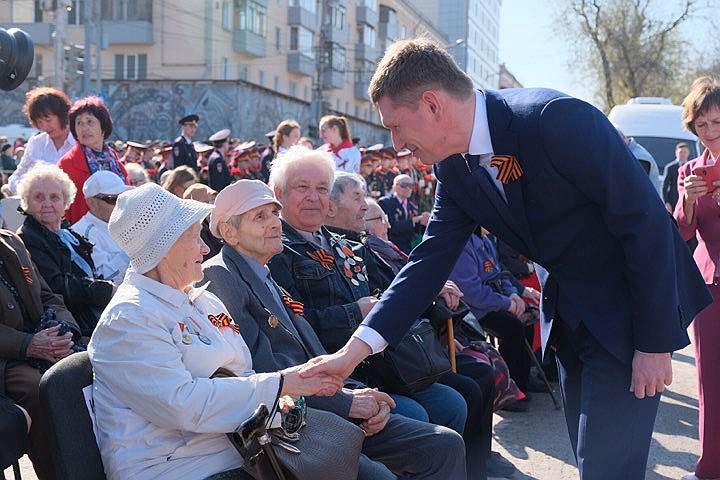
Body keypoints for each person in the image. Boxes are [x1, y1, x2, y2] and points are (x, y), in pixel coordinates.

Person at [301, 38, 711, 480]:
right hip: (571, 318)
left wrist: (653, 342)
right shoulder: (454, 168)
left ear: (433, 104)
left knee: (609, 469)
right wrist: (351, 354)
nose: (397, 145)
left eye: (396, 127)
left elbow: (644, 222)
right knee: (593, 460)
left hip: (627, 316)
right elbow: (427, 263)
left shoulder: (554, 119)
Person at [201, 179, 466, 480]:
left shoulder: (262, 271)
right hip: (297, 423)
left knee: (443, 444)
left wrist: (356, 392)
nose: (275, 224)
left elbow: (314, 354)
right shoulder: (221, 275)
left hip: (329, 401)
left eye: (275, 214)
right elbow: (262, 370)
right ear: (228, 231)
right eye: (260, 217)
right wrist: (348, 403)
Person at [87, 183, 343, 480]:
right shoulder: (128, 320)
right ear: (165, 248)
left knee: (352, 460)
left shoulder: (200, 298)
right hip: (177, 469)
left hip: (241, 451)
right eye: (195, 237)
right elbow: (184, 405)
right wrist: (281, 385)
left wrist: (286, 400)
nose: (206, 248)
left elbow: (242, 373)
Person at [266, 146, 468, 434]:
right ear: (278, 193)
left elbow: (390, 295)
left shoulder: (346, 243)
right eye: (302, 188)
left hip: (383, 363)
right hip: (332, 374)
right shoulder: (276, 252)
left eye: (322, 188)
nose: (314, 197)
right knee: (416, 415)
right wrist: (356, 311)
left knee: (453, 403)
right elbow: (295, 328)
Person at [325, 173, 512, 478]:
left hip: (409, 345)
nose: (375, 217)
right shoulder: (351, 246)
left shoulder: (361, 245)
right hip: (380, 361)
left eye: (374, 210)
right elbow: (388, 299)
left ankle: (476, 464)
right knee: (459, 391)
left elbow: (401, 291)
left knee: (476, 378)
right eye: (358, 200)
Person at [1, 228, 82, 480]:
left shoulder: (11, 240)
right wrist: (28, 343)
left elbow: (48, 296)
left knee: (93, 364)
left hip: (43, 341)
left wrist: (65, 332)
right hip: (8, 358)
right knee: (43, 390)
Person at [674, 76, 720, 480]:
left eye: (717, 123)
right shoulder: (689, 169)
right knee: (709, 380)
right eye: (702, 125)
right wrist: (688, 200)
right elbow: (682, 233)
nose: (709, 132)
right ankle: (710, 468)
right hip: (711, 286)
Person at [17, 164, 114, 337]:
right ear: (27, 203)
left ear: (65, 202)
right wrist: (107, 290)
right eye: (38, 197)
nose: (47, 204)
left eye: (54, 197)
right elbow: (59, 287)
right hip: (71, 326)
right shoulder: (28, 238)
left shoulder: (68, 234)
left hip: (93, 314)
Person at [450, 230, 540, 403]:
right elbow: (472, 292)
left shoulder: (485, 239)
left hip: (495, 299)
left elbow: (499, 272)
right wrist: (507, 303)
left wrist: (513, 294)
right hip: (474, 309)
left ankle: (523, 379)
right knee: (512, 327)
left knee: (527, 319)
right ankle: (508, 390)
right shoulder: (464, 244)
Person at [57, 96, 129, 224]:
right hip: (84, 233)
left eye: (90, 121)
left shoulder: (114, 160)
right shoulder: (67, 164)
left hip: (119, 229)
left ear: (103, 127)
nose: (84, 128)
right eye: (79, 123)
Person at [8, 87, 76, 194]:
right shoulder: (36, 142)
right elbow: (16, 177)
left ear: (62, 115)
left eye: (48, 120)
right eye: (39, 122)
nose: (44, 126)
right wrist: (28, 191)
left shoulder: (79, 142)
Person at [72, 171, 132, 286]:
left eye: (123, 197)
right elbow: (103, 279)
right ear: (92, 202)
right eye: (112, 199)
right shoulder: (82, 233)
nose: (119, 204)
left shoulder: (123, 223)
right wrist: (134, 248)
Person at [378, 174, 430, 254]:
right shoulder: (385, 202)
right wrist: (413, 220)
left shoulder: (412, 204)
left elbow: (415, 230)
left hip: (409, 247)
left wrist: (422, 221)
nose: (409, 188)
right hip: (393, 247)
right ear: (395, 187)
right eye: (405, 185)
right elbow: (390, 227)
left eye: (411, 186)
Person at [183, 183, 223, 262]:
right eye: (206, 202)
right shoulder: (199, 234)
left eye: (214, 199)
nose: (213, 205)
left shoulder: (225, 225)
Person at [663, 142, 691, 211]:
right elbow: (664, 187)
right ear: (676, 153)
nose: (683, 154)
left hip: (688, 201)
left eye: (685, 152)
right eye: (681, 152)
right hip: (673, 202)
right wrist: (666, 202)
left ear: (688, 153)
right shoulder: (670, 167)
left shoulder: (691, 166)